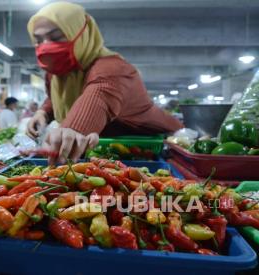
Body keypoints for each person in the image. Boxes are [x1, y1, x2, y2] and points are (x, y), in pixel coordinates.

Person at [26, 2, 183, 163]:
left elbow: (98, 97)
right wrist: (42, 112)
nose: (45, 46)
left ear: (83, 33)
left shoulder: (113, 69)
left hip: (160, 146)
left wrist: (72, 129)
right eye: (38, 40)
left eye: (57, 37)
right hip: (110, 147)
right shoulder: (57, 75)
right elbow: (55, 98)